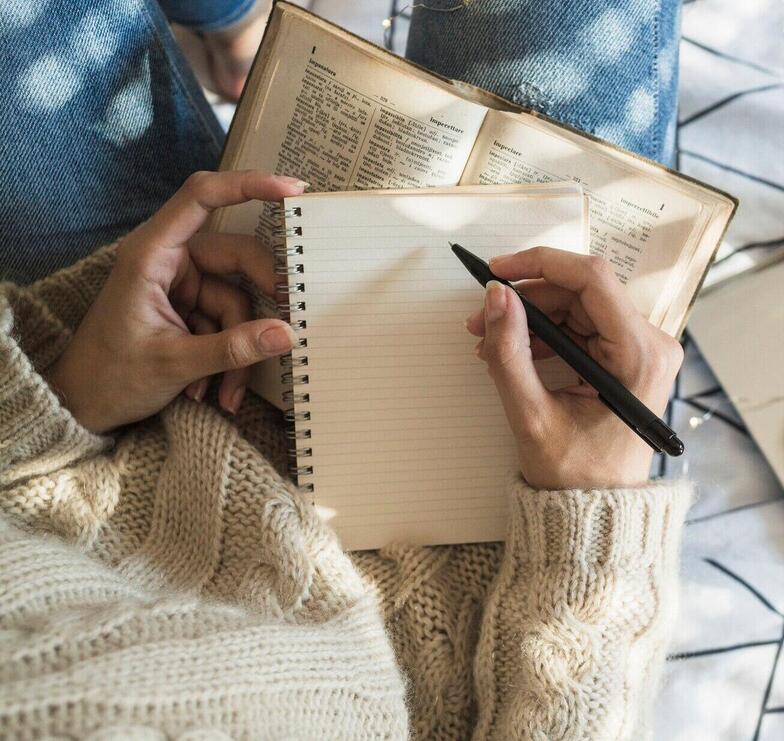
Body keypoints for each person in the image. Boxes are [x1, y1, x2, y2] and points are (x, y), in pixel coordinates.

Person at [0, 1, 688, 739]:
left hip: (89, 416)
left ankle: (228, 24)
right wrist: (594, 517)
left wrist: (62, 402)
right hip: (491, 550)